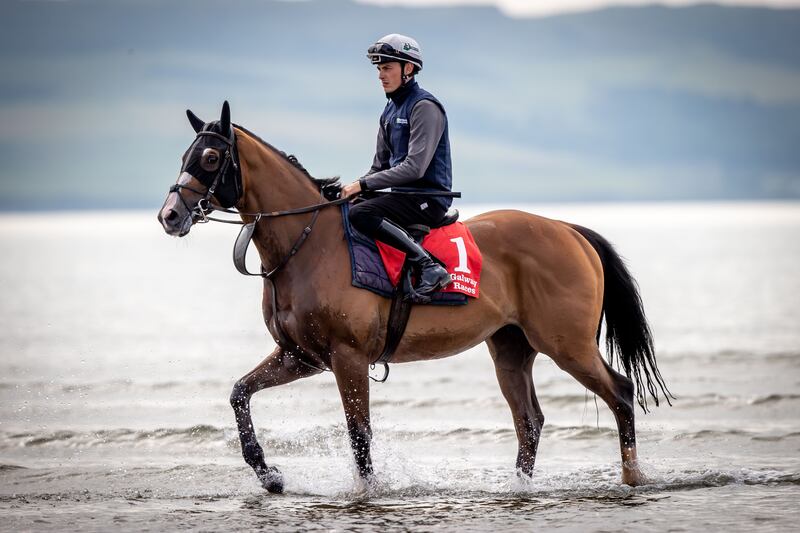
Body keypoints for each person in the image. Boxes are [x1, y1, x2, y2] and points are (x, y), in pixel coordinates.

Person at [341, 33, 453, 298]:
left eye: (387, 68)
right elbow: (379, 167)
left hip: (428, 200)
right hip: (404, 197)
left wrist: (364, 185)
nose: (381, 75)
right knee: (347, 208)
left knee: (361, 214)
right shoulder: (389, 111)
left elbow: (415, 168)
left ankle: (429, 266)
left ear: (409, 69)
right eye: (379, 69)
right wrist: (354, 188)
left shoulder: (424, 106)